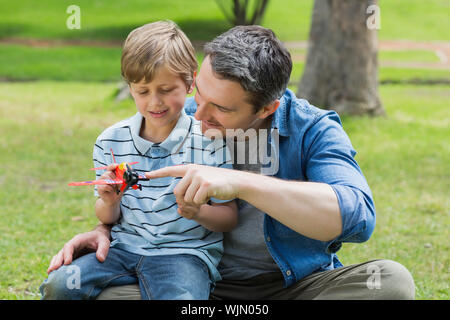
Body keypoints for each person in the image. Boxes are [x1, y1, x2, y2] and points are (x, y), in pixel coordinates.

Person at [46, 25, 415, 300]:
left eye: (221, 108)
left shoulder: (312, 129)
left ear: (267, 108)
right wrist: (105, 229)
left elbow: (357, 219)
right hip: (190, 282)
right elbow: (139, 193)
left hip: (292, 287)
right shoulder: (177, 115)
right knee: (89, 291)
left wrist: (239, 184)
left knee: (391, 283)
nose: (198, 114)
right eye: (199, 94)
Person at [39, 20, 238, 300]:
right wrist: (110, 200)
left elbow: (228, 217)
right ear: (130, 87)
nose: (154, 102)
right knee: (59, 285)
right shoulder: (111, 140)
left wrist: (198, 212)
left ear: (190, 83)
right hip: (121, 249)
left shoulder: (210, 141)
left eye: (166, 90)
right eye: (143, 91)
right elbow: (107, 216)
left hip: (183, 255)